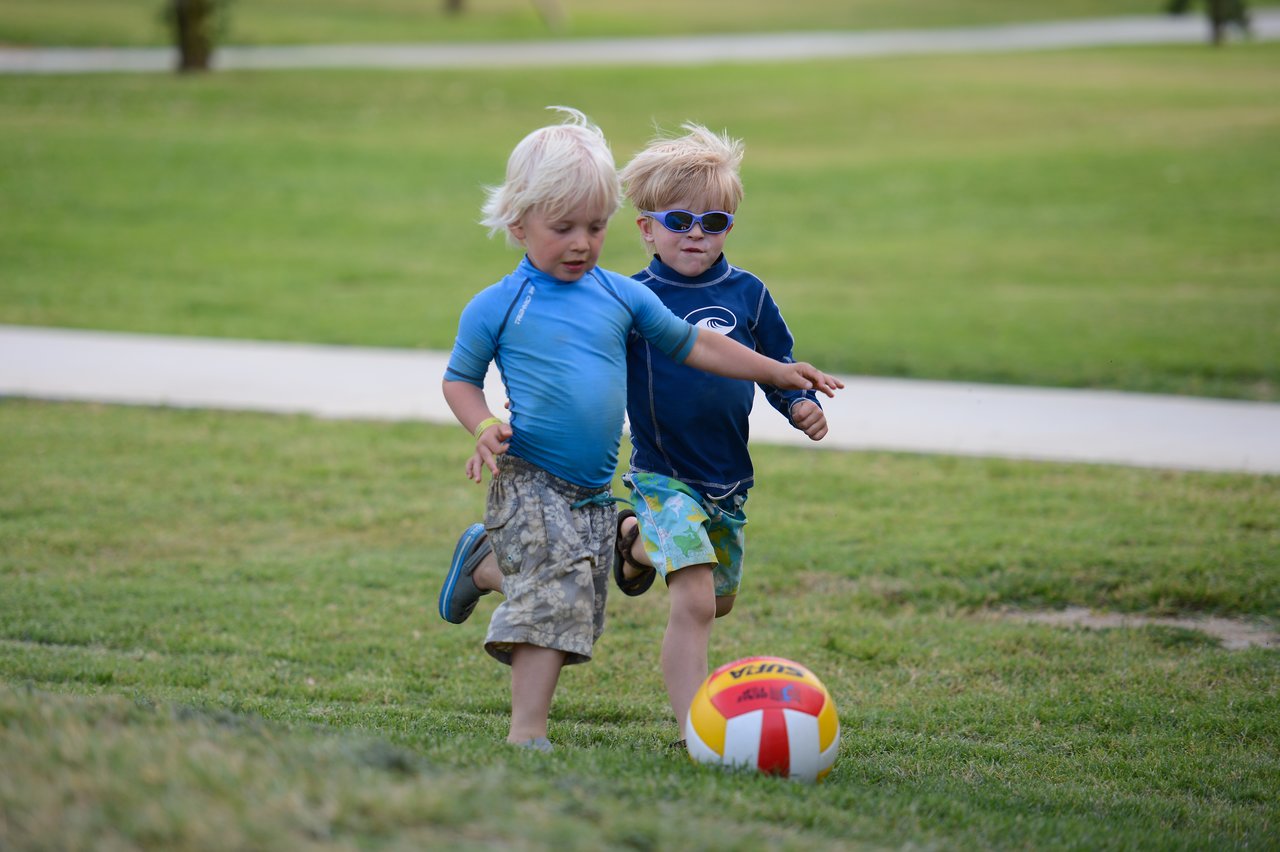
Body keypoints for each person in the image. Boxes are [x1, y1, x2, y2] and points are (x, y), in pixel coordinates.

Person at [437, 107, 843, 752]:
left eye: (595, 227)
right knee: (558, 600)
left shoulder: (621, 297)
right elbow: (459, 379)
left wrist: (780, 373)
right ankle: (530, 734)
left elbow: (699, 347)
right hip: (540, 473)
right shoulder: (499, 304)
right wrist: (482, 422)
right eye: (563, 227)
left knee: (585, 587)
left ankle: (497, 561)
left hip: (608, 485)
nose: (581, 242)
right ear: (517, 225)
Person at [613, 123, 832, 745]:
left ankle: (628, 542)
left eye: (714, 221)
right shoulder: (632, 298)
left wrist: (801, 405)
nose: (697, 235)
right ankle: (695, 730)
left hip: (727, 479)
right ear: (646, 227)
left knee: (719, 598)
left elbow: (780, 365)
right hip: (661, 475)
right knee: (697, 604)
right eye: (679, 220)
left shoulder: (749, 293)